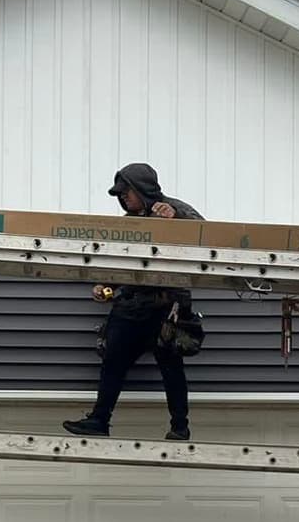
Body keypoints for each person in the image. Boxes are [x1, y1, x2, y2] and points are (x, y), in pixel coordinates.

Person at [63, 163, 200, 441]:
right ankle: (99, 420)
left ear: (142, 189)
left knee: (171, 368)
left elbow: (207, 236)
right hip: (131, 305)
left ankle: (180, 427)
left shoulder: (175, 210)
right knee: (113, 362)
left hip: (167, 306)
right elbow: (120, 262)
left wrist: (176, 219)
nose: (123, 197)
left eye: (127, 191)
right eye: (120, 194)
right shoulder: (128, 224)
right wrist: (106, 284)